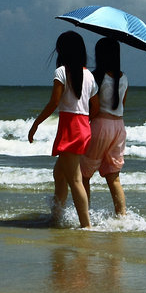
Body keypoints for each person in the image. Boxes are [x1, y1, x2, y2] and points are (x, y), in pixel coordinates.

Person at [28, 31, 99, 228]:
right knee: (60, 174)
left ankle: (86, 226)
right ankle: (56, 217)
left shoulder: (61, 72)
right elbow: (96, 107)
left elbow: (54, 102)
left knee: (75, 180)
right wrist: (84, 123)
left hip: (70, 127)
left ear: (62, 51)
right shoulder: (89, 75)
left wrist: (35, 124)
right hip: (83, 126)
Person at [81, 37, 127, 217]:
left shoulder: (96, 76)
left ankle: (84, 214)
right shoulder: (124, 77)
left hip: (100, 125)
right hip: (119, 126)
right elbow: (121, 104)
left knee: (84, 174)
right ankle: (121, 216)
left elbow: (94, 107)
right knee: (113, 176)